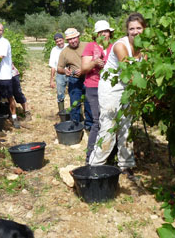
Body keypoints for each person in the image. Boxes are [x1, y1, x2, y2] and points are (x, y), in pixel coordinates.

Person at [89, 13, 147, 179]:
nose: (135, 32)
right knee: (108, 127)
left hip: (128, 88)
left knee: (126, 127)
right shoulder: (120, 46)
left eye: (138, 28)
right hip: (111, 88)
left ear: (144, 29)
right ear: (127, 31)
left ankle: (126, 166)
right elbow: (129, 73)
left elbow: (145, 70)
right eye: (131, 29)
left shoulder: (146, 46)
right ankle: (94, 167)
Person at [81, 20, 114, 163]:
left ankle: (109, 155)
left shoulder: (114, 47)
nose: (104, 34)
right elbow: (83, 69)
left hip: (111, 87)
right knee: (97, 121)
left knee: (111, 121)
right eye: (101, 32)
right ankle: (90, 157)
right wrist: (94, 63)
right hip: (94, 86)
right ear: (96, 34)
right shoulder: (90, 47)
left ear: (110, 33)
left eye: (106, 31)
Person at [57, 28, 92, 130]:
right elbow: (59, 68)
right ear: (67, 40)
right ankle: (76, 126)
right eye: (70, 39)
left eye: (74, 38)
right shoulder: (64, 52)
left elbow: (96, 60)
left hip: (88, 78)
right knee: (75, 104)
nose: (73, 41)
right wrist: (65, 71)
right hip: (74, 80)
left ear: (78, 36)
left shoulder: (87, 45)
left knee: (89, 103)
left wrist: (84, 69)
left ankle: (89, 126)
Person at [0, 22, 20, 129]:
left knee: (9, 97)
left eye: (0, 30)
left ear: (3, 31)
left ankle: (14, 117)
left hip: (5, 75)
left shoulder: (4, 42)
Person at [49, 33, 68, 112]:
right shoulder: (54, 50)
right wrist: (51, 80)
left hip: (71, 73)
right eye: (57, 41)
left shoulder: (68, 46)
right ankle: (62, 113)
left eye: (60, 40)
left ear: (63, 39)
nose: (59, 43)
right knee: (60, 94)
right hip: (60, 74)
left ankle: (77, 113)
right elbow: (53, 66)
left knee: (75, 93)